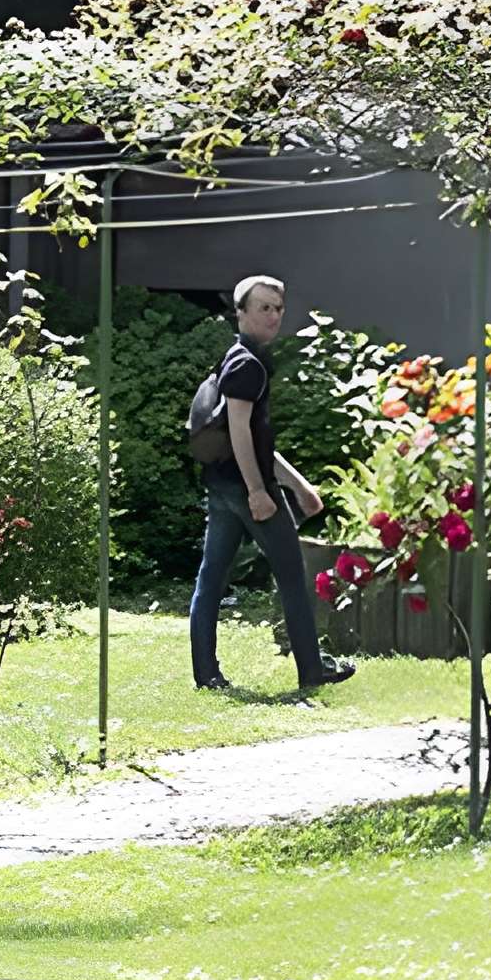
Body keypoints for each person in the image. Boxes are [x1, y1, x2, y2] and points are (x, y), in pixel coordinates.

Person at [188, 275, 356, 693]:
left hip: (224, 487)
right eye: (264, 307)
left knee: (210, 579)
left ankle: (206, 674)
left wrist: (299, 486)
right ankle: (312, 670)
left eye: (278, 308)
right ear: (240, 313)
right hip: (247, 490)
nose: (274, 315)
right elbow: (241, 433)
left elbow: (254, 439)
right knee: (293, 580)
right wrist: (259, 492)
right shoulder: (247, 364)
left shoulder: (238, 358)